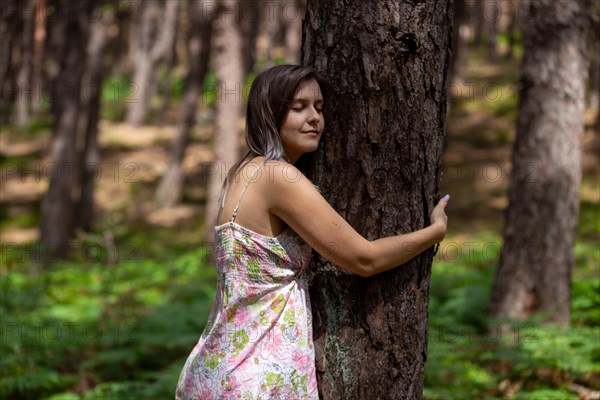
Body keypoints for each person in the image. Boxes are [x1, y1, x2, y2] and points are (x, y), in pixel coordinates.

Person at [175, 64, 449, 399]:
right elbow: (364, 258)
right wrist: (434, 232)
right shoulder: (279, 177)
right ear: (269, 113)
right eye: (298, 107)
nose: (315, 118)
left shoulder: (242, 172)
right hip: (258, 379)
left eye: (319, 107)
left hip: (214, 371)